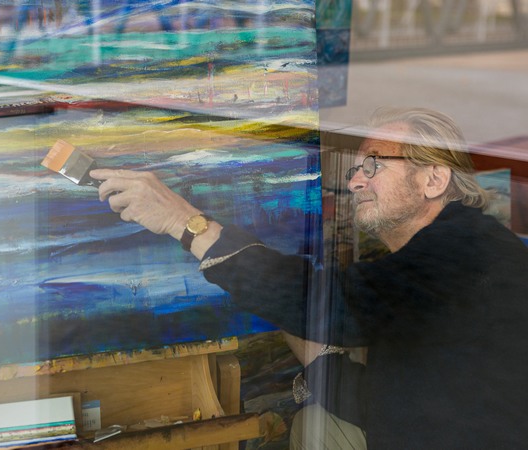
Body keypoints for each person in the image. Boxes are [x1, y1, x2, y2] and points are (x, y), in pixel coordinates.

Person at [90, 107, 528, 449]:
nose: (355, 183)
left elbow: (337, 307)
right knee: (314, 423)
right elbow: (400, 398)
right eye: (355, 171)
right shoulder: (454, 248)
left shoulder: (465, 253)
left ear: (433, 179)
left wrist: (182, 221)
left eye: (373, 165)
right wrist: (319, 361)